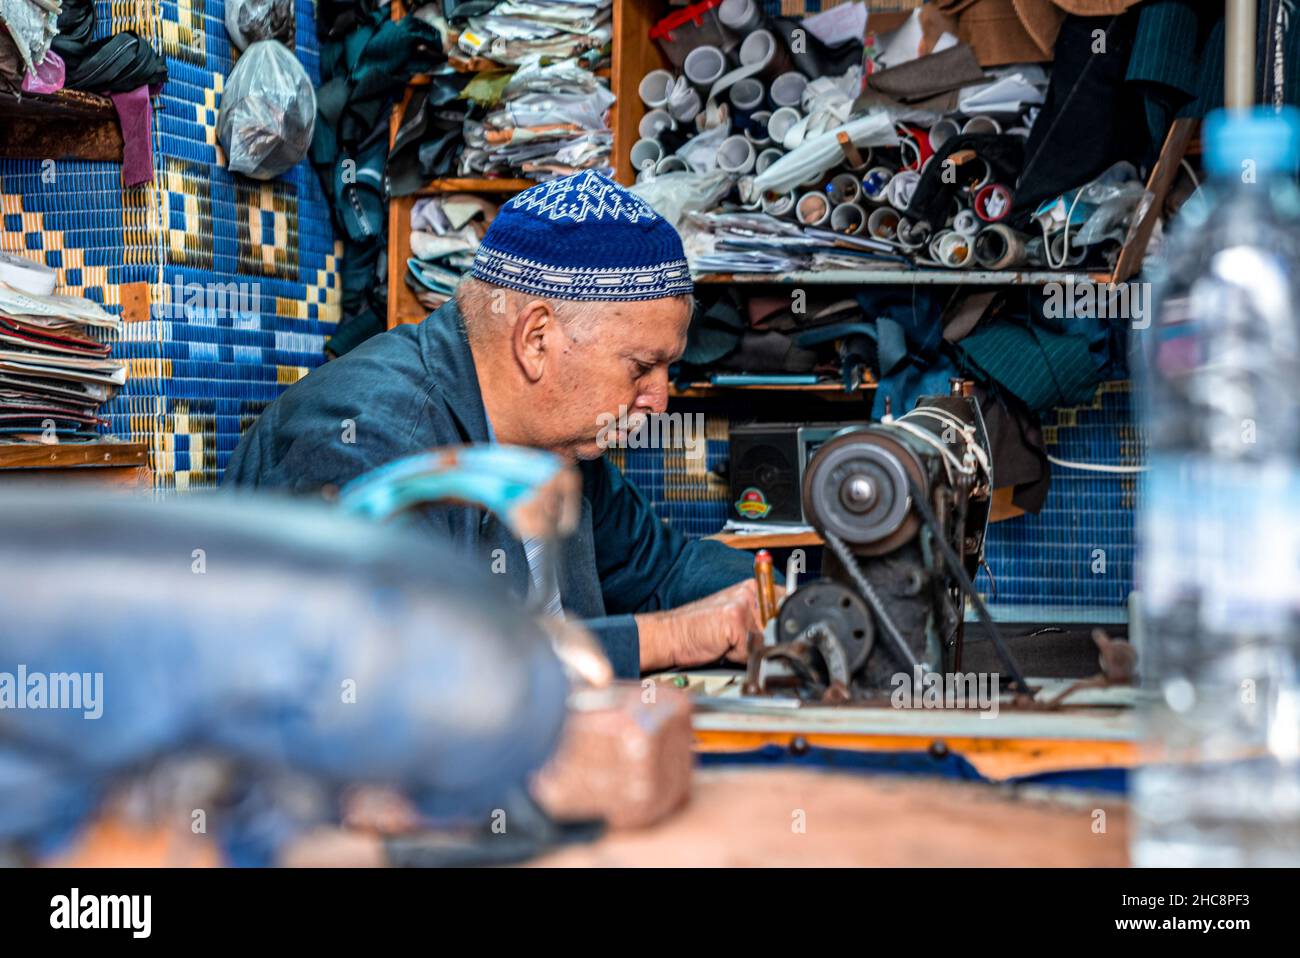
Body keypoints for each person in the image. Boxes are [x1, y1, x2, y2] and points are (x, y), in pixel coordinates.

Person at [225, 170, 769, 677]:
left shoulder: (559, 440)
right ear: (536, 340)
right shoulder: (368, 442)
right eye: (641, 367)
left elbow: (665, 572)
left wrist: (782, 606)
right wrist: (668, 639)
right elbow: (406, 666)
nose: (660, 400)